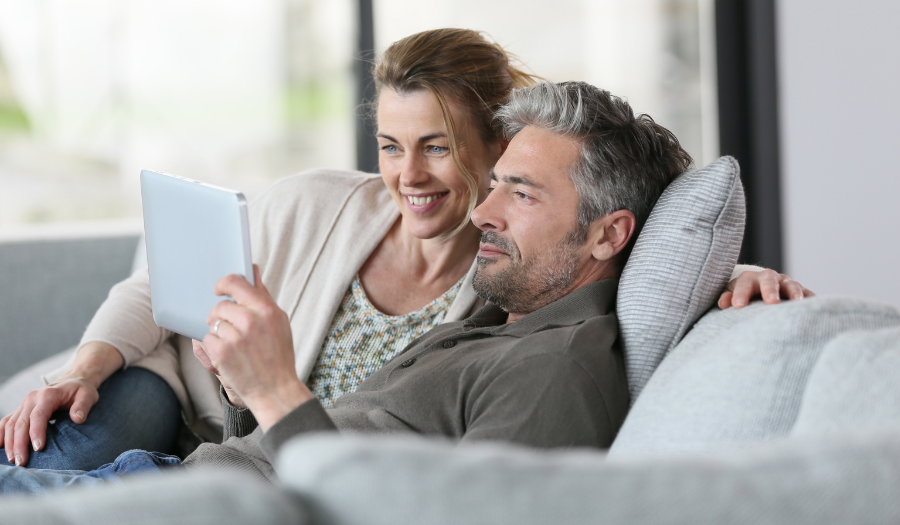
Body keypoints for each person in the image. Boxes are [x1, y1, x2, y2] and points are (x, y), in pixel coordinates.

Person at [0, 29, 807, 472]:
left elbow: (613, 236)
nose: (408, 176)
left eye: (442, 149)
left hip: (222, 478)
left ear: (489, 146)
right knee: (117, 403)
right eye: (389, 144)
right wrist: (86, 364)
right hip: (181, 421)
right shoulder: (497, 294)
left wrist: (728, 276)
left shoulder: (520, 307)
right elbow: (589, 232)